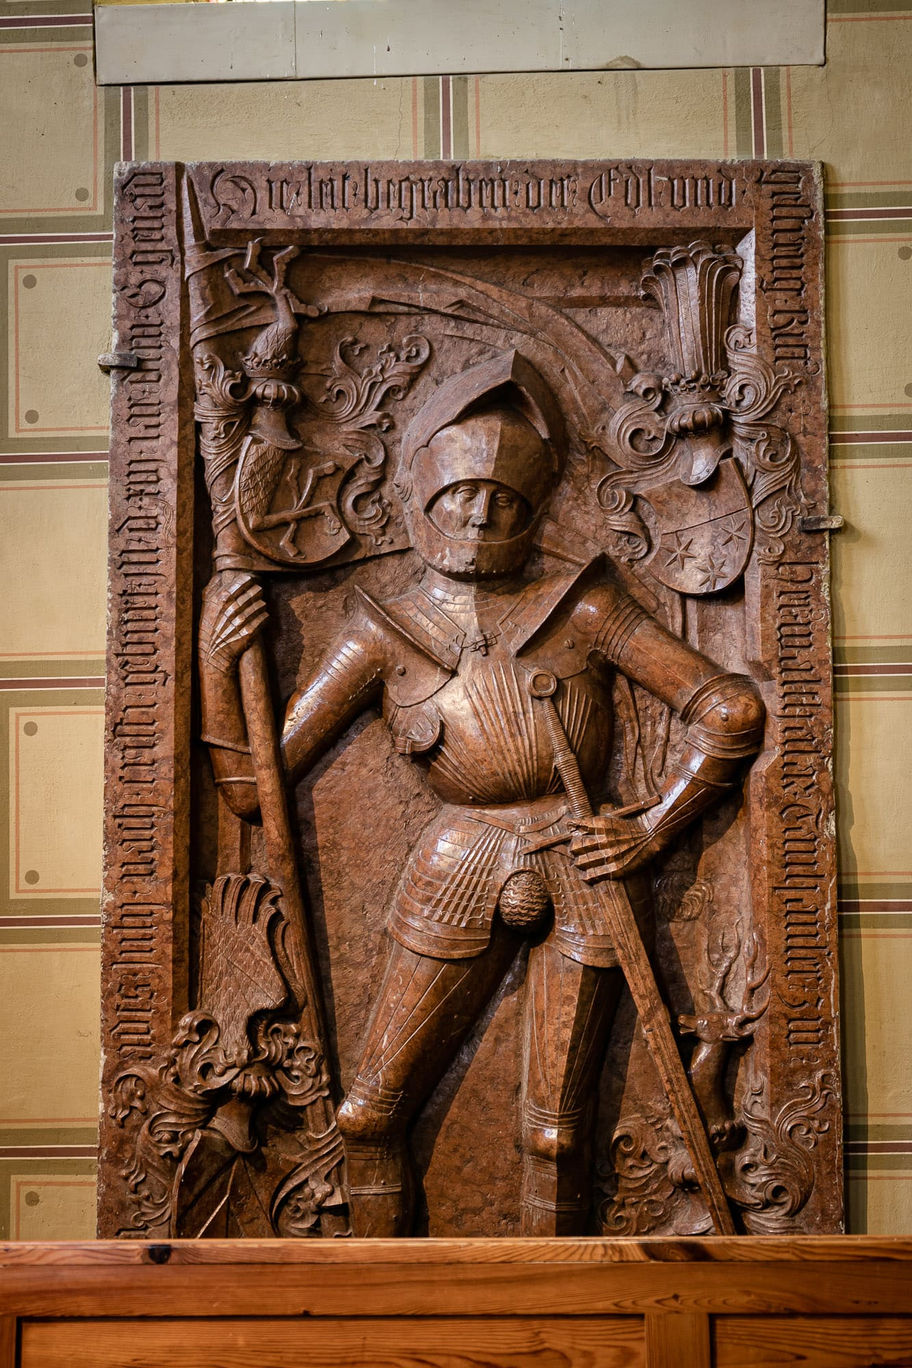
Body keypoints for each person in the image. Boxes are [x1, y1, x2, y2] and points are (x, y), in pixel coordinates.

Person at [198, 349, 765, 1236]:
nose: (479, 512)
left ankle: (567, 1329)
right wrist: (214, 661)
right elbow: (249, 791)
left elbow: (728, 708)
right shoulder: (384, 631)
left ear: (533, 507)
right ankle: (376, 1312)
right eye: (461, 493)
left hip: (583, 864)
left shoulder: (580, 606)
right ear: (427, 496)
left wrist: (654, 829)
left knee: (556, 1134)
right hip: (457, 858)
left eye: (502, 498)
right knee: (370, 1115)